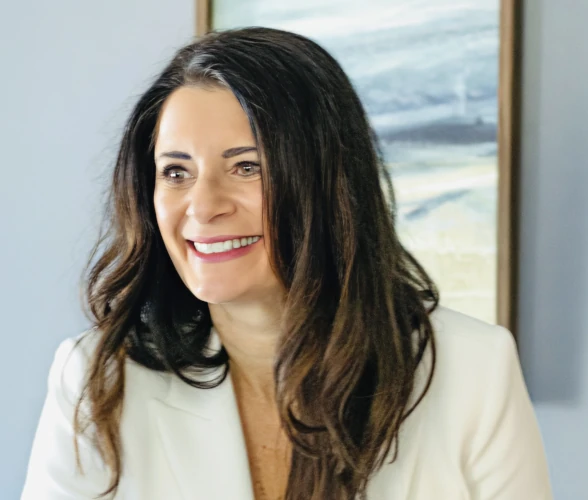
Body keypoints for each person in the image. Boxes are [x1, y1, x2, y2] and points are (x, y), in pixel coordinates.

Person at [21, 27, 552, 500]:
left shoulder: (475, 370)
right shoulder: (98, 378)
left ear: (327, 182)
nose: (204, 207)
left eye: (247, 167)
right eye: (176, 173)